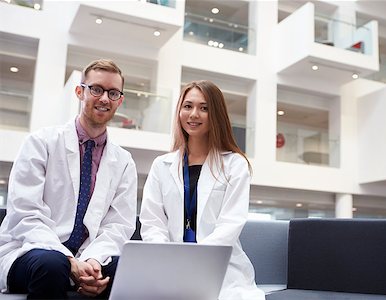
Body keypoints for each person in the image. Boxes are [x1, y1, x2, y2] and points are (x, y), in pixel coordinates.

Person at [0, 59, 137, 299]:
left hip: (89, 253)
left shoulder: (124, 161)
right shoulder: (41, 143)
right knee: (53, 266)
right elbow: (25, 213)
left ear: (120, 100)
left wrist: (92, 260)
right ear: (79, 91)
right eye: (96, 89)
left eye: (113, 93)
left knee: (128, 272)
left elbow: (118, 225)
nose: (104, 98)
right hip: (33, 249)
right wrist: (68, 259)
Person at [140, 80, 265, 300]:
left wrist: (195, 261)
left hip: (218, 267)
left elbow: (230, 224)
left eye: (204, 108)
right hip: (169, 264)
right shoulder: (162, 165)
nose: (194, 114)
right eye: (187, 106)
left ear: (216, 114)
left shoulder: (235, 165)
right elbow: (152, 222)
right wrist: (167, 256)